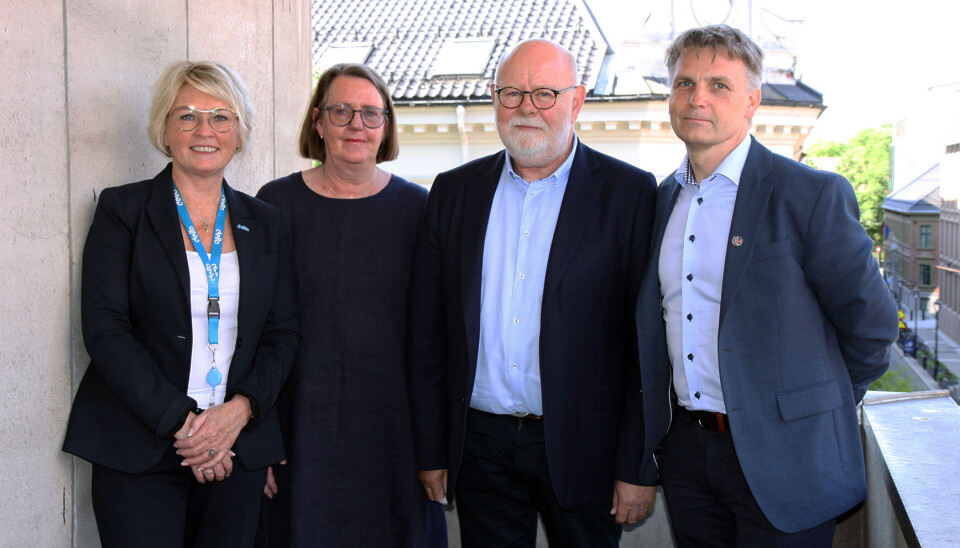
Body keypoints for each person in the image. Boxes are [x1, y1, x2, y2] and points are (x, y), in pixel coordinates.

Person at [634, 25, 899, 546]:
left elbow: (872, 328)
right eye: (685, 83)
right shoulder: (661, 201)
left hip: (789, 459)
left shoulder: (811, 195)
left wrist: (811, 412)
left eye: (719, 85)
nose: (697, 98)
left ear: (752, 100)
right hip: (687, 455)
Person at [407, 39, 658, 547]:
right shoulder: (454, 192)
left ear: (577, 100)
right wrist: (432, 450)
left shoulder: (629, 193)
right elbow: (427, 334)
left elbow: (645, 346)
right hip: (479, 446)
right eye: (512, 93)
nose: (526, 107)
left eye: (545, 93)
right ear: (493, 98)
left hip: (587, 445)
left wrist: (638, 464)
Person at [62, 60, 300, 547]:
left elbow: (283, 334)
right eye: (187, 115)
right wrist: (187, 427)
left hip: (237, 445)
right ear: (165, 130)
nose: (204, 130)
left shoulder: (268, 222)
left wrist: (239, 414)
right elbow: (105, 329)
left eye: (221, 117)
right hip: (139, 446)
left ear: (239, 131)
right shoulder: (123, 210)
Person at [255, 63, 444, 547]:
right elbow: (253, 332)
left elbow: (435, 338)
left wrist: (434, 447)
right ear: (318, 122)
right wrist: (258, 440)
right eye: (341, 111)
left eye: (370, 113)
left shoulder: (419, 209)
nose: (356, 124)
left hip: (395, 433)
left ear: (386, 126)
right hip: (299, 431)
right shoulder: (274, 205)